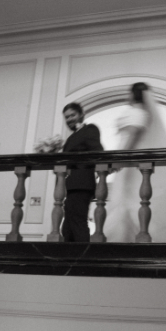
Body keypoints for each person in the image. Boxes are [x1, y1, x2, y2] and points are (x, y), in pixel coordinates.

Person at [104, 82, 166, 242]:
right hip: (133, 165)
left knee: (131, 201)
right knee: (132, 202)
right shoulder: (142, 113)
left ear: (133, 94)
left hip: (131, 166)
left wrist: (117, 161)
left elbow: (131, 139)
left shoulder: (137, 113)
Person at [61, 102, 104, 242]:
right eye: (67, 117)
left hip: (82, 183)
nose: (69, 119)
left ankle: (83, 258)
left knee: (78, 223)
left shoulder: (90, 130)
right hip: (70, 186)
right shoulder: (70, 139)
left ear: (81, 114)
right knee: (67, 228)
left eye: (72, 115)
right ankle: (69, 260)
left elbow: (97, 152)